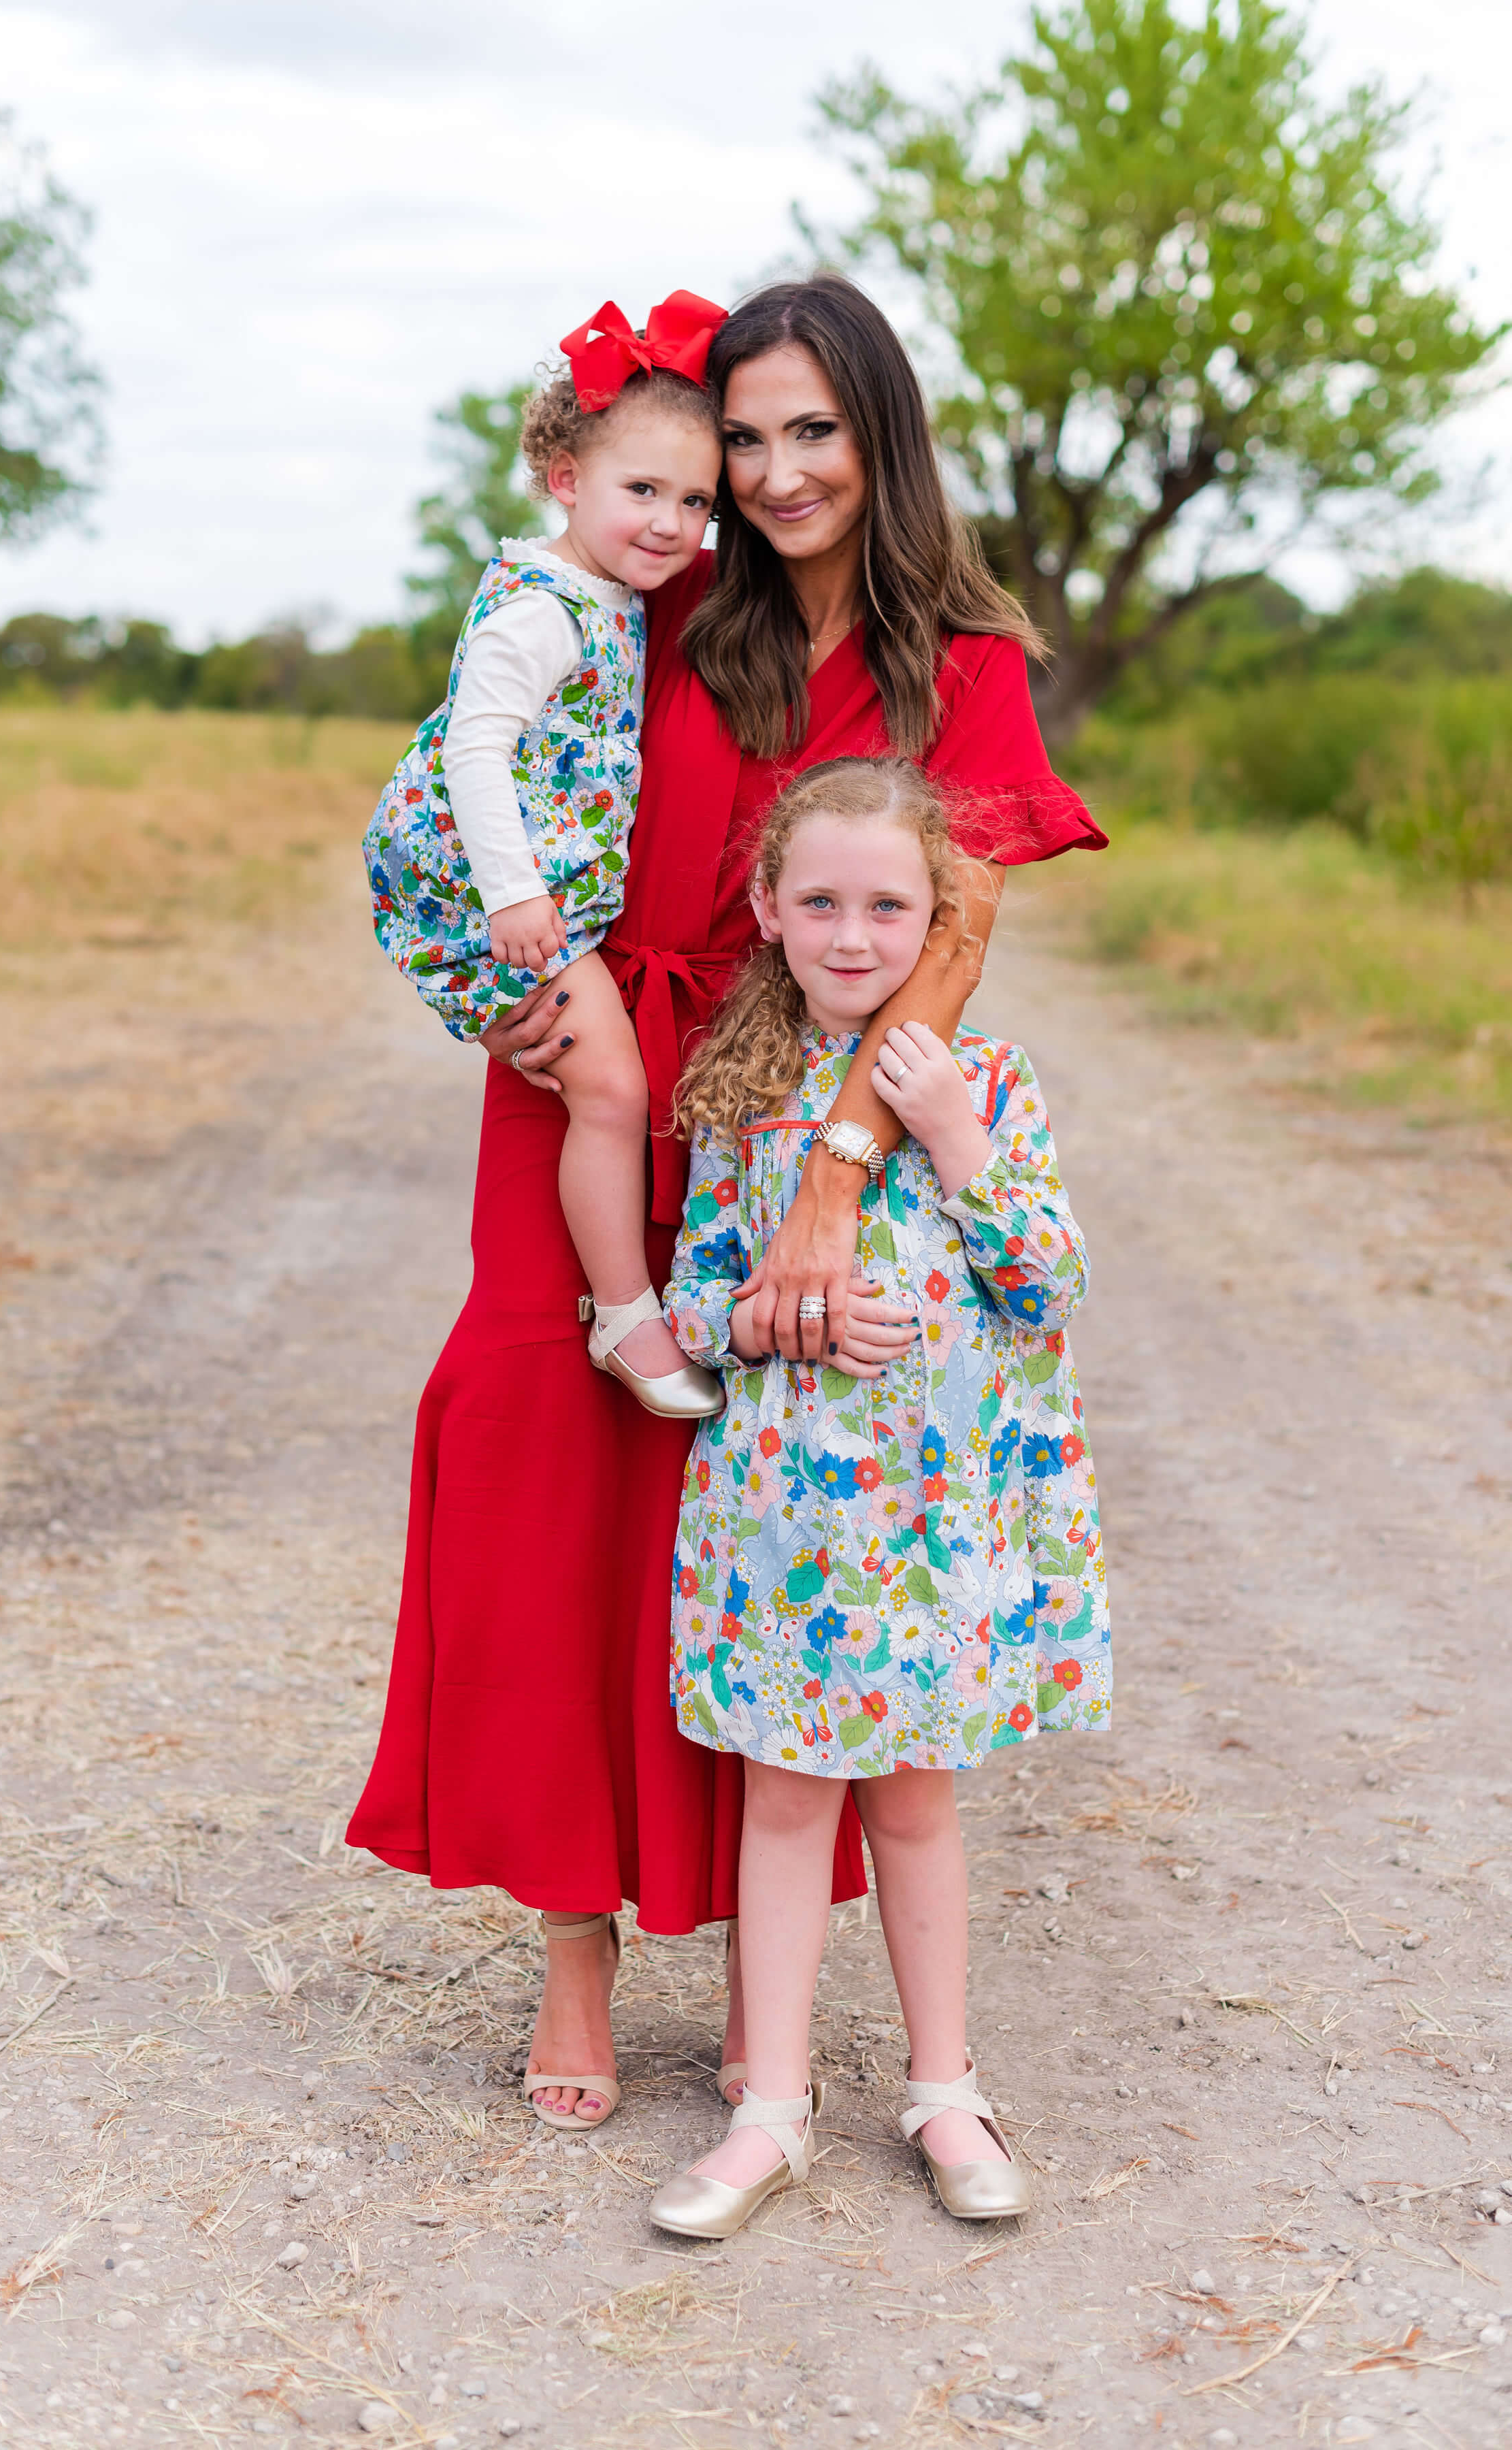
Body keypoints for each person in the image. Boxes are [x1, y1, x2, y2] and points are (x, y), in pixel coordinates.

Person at [346, 274, 1106, 2136]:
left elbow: (960, 933)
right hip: (605, 1061)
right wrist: (495, 966)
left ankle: (779, 1991)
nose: (767, 476)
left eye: (809, 433)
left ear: (881, 433)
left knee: (778, 1512)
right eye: (743, 437)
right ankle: (575, 1945)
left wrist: (837, 1174)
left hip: (796, 1106)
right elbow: (489, 746)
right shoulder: (668, 588)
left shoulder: (961, 651)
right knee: (561, 1461)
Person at [647, 757, 1109, 2240]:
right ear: (770, 912)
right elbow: (696, 1302)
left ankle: (942, 2090)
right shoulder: (739, 1091)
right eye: (823, 903)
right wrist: (792, 1320)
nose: (854, 935)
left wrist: (956, 1140)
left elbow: (1051, 1285)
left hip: (933, 1524)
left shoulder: (987, 1078)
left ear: (936, 919)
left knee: (914, 1807)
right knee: (783, 1805)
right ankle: (767, 2109)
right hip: (788, 1524)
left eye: (887, 906)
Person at [363, 291, 728, 1417]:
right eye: (642, 491)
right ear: (566, 477)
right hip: (489, 892)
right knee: (613, 1091)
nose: (670, 522)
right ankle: (627, 1316)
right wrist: (518, 895)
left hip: (530, 895)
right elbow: (475, 747)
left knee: (598, 1080)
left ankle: (630, 1308)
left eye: (695, 500)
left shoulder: (609, 590)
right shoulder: (546, 608)